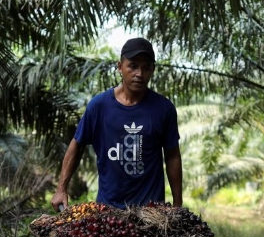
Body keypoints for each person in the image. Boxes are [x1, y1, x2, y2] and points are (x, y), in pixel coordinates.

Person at [51, 37, 182, 211]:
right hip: (108, 211)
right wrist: (61, 189)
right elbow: (77, 145)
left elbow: (172, 155)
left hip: (152, 212)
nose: (139, 74)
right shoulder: (99, 106)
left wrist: (177, 204)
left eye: (146, 67)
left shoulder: (163, 109)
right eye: (133, 66)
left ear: (153, 70)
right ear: (120, 67)